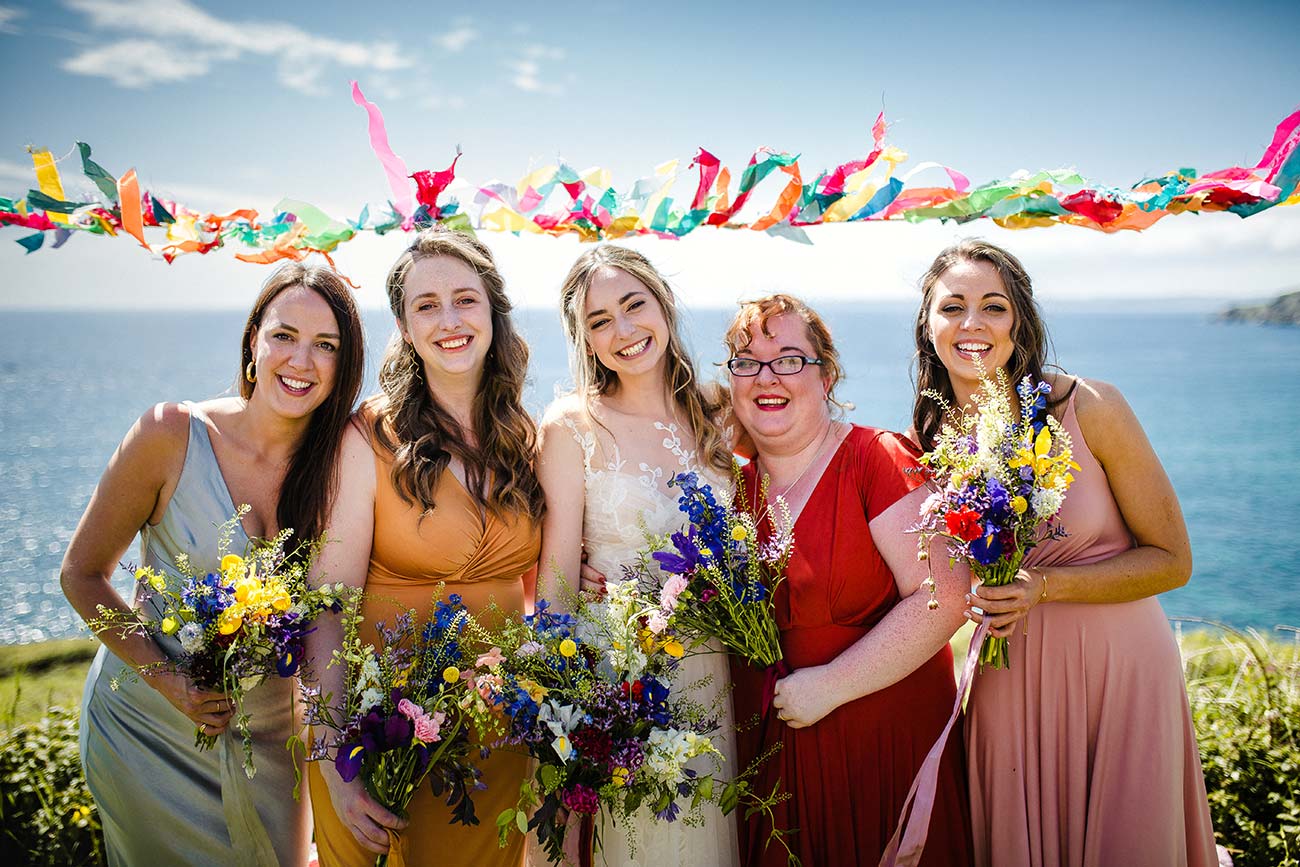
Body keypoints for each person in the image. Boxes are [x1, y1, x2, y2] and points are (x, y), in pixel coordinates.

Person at [912, 239, 1217, 866]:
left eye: (994, 307)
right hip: (1008, 673)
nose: (972, 324)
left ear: (1020, 321)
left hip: (1118, 670)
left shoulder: (1088, 406)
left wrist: (1045, 587)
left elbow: (1173, 560)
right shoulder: (930, 436)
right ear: (928, 324)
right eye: (953, 307)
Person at [64, 263, 365, 866]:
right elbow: (82, 575)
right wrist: (168, 680)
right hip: (148, 732)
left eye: (325, 345)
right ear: (254, 341)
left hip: (272, 746)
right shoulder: (169, 434)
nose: (301, 360)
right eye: (284, 335)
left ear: (344, 365)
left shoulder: (344, 466)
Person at [305, 228, 545, 866]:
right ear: (405, 328)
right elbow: (326, 606)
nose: (450, 320)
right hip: (380, 739)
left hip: (500, 741)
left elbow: (545, 582)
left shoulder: (523, 437)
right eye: (427, 305)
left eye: (465, 299)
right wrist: (333, 758)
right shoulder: (368, 436)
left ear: (493, 311)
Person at [726, 294, 972, 867]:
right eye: (747, 362)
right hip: (774, 764)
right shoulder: (728, 491)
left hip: (883, 746)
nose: (767, 377)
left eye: (789, 360)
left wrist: (832, 685)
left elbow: (946, 596)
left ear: (827, 375)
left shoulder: (875, 458)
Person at [536, 245, 740, 866]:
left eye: (634, 305)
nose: (623, 330)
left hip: (715, 677)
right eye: (600, 321)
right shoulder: (572, 426)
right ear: (585, 339)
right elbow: (556, 583)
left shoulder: (720, 411)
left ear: (664, 303)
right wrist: (560, 726)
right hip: (620, 683)